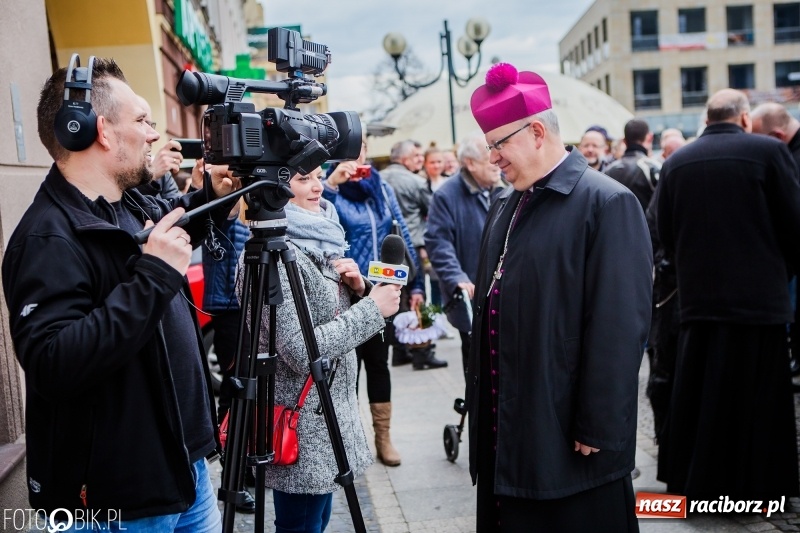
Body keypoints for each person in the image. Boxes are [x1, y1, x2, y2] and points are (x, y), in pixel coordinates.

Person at [2, 57, 240, 530]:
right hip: (119, 501)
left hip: (184, 469)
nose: (153, 134)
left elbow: (174, 227)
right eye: (142, 121)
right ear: (102, 132)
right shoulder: (46, 238)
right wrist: (152, 277)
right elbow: (52, 361)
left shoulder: (125, 199)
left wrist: (213, 196)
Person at [466, 62, 652, 531]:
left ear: (534, 131)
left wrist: (599, 425)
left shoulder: (607, 203)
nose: (493, 159)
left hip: (568, 437)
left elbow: (619, 326)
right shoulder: (506, 205)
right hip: (507, 428)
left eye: (498, 144)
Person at [656, 89, 800, 502]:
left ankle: (698, 485)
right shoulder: (768, 153)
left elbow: (666, 234)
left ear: (707, 117)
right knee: (762, 400)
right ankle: (760, 488)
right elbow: (793, 225)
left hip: (700, 302)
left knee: (703, 397)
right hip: (760, 301)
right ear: (744, 118)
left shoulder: (676, 162)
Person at [244, 166, 401, 533]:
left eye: (318, 176)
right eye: (304, 179)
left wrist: (357, 288)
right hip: (300, 425)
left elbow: (326, 324)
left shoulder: (320, 241)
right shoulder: (277, 256)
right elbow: (300, 351)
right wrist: (370, 308)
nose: (318, 187)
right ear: (275, 190)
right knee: (302, 525)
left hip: (328, 417)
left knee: (318, 520)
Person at [322, 135, 432, 467]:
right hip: (343, 291)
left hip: (379, 290)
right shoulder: (327, 187)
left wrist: (416, 285)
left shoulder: (380, 186)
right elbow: (319, 225)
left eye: (361, 152)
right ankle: (347, 438)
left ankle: (383, 438)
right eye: (349, 153)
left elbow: (400, 233)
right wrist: (331, 185)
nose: (356, 159)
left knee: (378, 364)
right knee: (345, 370)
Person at [424, 132, 507, 378]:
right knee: (477, 366)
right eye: (488, 158)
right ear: (470, 163)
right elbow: (438, 243)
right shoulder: (447, 195)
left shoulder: (507, 187)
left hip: (506, 291)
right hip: (471, 293)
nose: (496, 162)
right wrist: (457, 277)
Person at [604, 118, 661, 212]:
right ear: (650, 137)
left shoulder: (609, 170)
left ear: (624, 141)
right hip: (646, 226)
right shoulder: (653, 167)